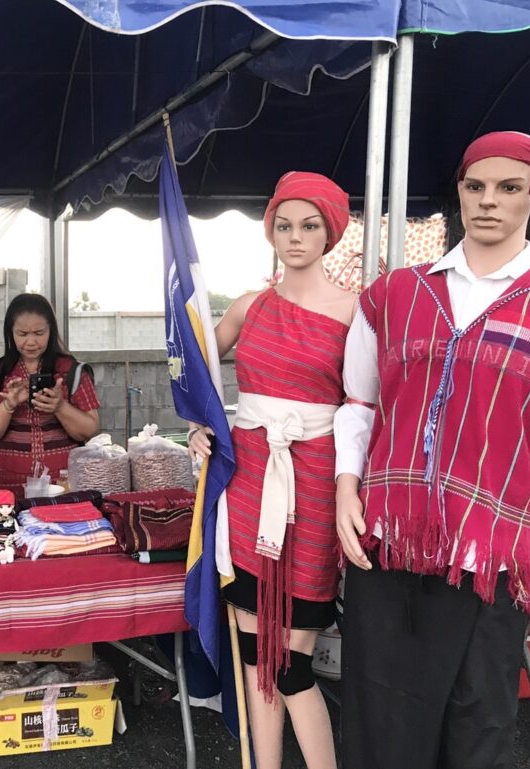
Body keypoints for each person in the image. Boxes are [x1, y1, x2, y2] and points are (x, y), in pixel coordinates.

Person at [335, 131, 530, 769]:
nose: (489, 201)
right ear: (459, 192)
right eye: (475, 186)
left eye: (509, 187)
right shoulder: (392, 295)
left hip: (491, 554)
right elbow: (360, 402)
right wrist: (346, 489)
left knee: (477, 721)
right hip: (388, 541)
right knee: (382, 723)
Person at [188, 172, 353, 769]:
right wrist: (198, 424)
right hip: (248, 483)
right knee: (257, 660)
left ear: (331, 232)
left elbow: (368, 407)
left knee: (292, 667)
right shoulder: (248, 306)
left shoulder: (358, 313)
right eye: (284, 225)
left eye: (309, 226)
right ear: (270, 231)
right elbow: (193, 371)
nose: (295, 237)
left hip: (315, 488)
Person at [0, 293, 100, 498]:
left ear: (51, 331)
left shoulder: (72, 371)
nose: (31, 342)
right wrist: (8, 405)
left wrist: (60, 407)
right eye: (22, 334)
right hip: (8, 489)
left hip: (64, 485)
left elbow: (88, 430)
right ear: (10, 332)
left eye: (39, 333)